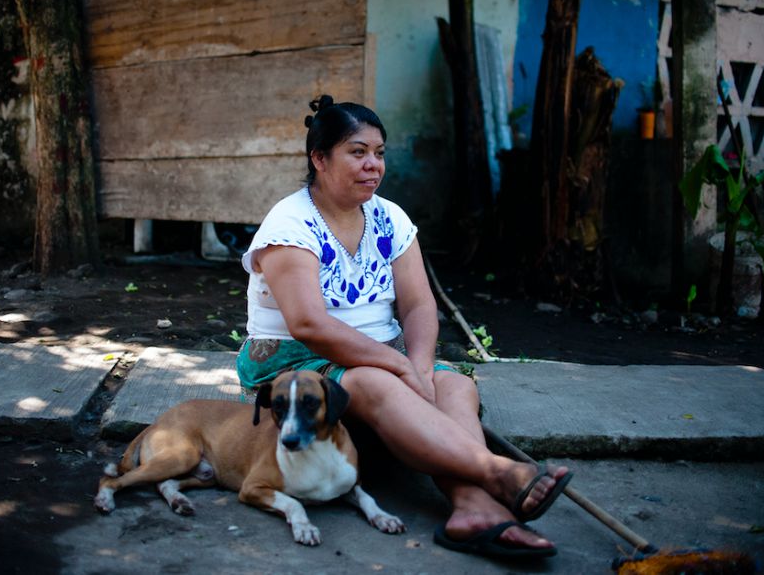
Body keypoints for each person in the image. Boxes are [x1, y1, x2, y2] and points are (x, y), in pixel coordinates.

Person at [235, 95, 572, 559]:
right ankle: (496, 472)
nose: (373, 165)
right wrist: (397, 365)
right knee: (380, 382)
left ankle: (472, 507)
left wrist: (419, 368)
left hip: (378, 354)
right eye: (357, 152)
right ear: (319, 158)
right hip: (299, 362)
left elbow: (417, 305)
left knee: (453, 388)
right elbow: (309, 324)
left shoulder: (389, 217)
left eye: (379, 153)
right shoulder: (290, 222)